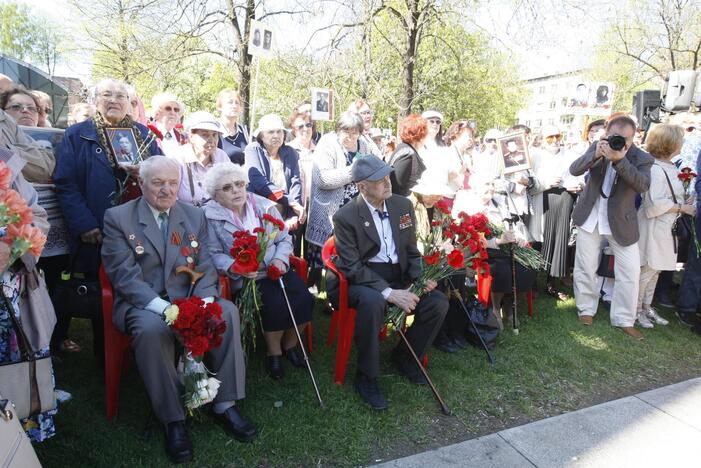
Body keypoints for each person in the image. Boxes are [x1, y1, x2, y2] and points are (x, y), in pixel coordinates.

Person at [101, 156, 255, 463]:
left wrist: (204, 304)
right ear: (141, 183)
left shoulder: (192, 215)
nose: (166, 190)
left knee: (226, 312)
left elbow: (206, 263)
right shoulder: (118, 218)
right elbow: (124, 276)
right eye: (157, 183)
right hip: (144, 302)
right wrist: (166, 310)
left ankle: (225, 403)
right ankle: (173, 418)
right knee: (151, 329)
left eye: (173, 183)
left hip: (190, 296)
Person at [330, 155, 448, 410]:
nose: (387, 182)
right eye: (379, 179)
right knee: (373, 303)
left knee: (437, 302)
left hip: (399, 272)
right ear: (362, 186)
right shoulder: (346, 217)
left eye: (387, 176)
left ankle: (407, 358)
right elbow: (352, 267)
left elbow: (411, 249)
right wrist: (388, 292)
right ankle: (367, 376)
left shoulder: (402, 205)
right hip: (364, 278)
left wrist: (419, 278)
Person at [203, 163, 314, 379]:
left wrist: (281, 261)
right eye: (227, 188)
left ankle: (290, 346)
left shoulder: (265, 206)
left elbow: (284, 238)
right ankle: (274, 353)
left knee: (304, 299)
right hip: (247, 278)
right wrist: (235, 266)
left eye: (239, 184)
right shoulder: (209, 216)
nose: (236, 190)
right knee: (273, 304)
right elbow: (212, 253)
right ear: (215, 195)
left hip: (276, 268)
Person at [54, 78, 162, 275]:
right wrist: (83, 223)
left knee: (142, 280)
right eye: (106, 95)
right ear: (96, 100)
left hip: (141, 225)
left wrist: (146, 171)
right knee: (101, 289)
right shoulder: (77, 135)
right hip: (97, 227)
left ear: (128, 102)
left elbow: (163, 171)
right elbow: (65, 183)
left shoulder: (143, 134)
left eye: (120, 96)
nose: (114, 100)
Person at [569, 115, 654, 339]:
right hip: (592, 216)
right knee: (585, 266)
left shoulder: (641, 157)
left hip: (621, 221)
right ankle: (586, 309)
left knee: (629, 272)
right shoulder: (598, 146)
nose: (622, 143)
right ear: (607, 133)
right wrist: (596, 153)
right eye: (617, 138)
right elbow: (574, 170)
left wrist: (620, 160)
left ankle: (624, 318)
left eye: (627, 140)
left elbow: (642, 185)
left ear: (634, 137)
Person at [0, 147, 54, 443]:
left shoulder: (7, 162)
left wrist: (16, 248)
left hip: (11, 288)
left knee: (18, 356)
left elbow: (38, 216)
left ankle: (16, 435)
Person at [304, 111, 364, 289]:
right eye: (346, 132)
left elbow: (373, 166)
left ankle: (338, 293)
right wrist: (354, 171)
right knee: (323, 254)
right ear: (338, 130)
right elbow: (324, 180)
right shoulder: (327, 144)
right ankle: (315, 291)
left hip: (355, 211)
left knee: (346, 255)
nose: (351, 137)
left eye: (355, 132)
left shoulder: (364, 145)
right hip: (329, 210)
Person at [636, 124, 688, 328]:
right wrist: (682, 207)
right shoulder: (655, 169)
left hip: (666, 226)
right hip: (655, 226)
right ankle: (636, 309)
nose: (683, 143)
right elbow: (654, 204)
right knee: (648, 269)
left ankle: (647, 306)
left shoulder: (670, 166)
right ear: (670, 143)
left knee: (656, 270)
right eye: (680, 139)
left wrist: (684, 201)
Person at [529, 124, 583, 299]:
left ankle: (551, 284)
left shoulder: (571, 156)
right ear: (542, 139)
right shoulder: (534, 156)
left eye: (557, 137)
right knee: (538, 240)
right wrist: (545, 182)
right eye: (549, 138)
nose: (554, 141)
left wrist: (577, 186)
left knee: (559, 243)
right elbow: (528, 183)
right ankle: (533, 283)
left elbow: (580, 177)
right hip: (541, 201)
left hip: (563, 201)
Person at [244, 113, 304, 231]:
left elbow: (295, 183)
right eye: (271, 132)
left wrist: (293, 215)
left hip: (285, 213)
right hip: (260, 213)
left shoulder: (291, 153)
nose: (276, 135)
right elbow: (259, 182)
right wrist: (291, 201)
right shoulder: (253, 150)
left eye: (279, 131)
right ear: (261, 136)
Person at [0, 86, 55, 183]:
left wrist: (8, 150)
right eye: (16, 107)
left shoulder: (53, 137)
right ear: (3, 111)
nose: (26, 110)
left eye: (32, 108)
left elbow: (45, 169)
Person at [175, 111, 229, 206]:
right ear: (191, 137)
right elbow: (171, 196)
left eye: (214, 135)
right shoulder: (178, 158)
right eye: (205, 135)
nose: (211, 140)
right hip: (186, 216)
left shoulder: (222, 157)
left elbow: (230, 188)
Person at [388, 114, 429, 197]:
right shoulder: (407, 154)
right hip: (400, 205)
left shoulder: (405, 149)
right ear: (420, 133)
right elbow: (396, 187)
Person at [216, 89, 249, 164]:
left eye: (237, 103)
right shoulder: (214, 131)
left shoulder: (246, 132)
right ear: (220, 107)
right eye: (230, 102)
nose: (234, 106)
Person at [442, 120, 475, 191]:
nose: (471, 139)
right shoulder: (449, 152)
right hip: (447, 197)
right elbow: (450, 175)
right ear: (456, 134)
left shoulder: (464, 155)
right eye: (469, 135)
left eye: (471, 136)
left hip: (458, 196)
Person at [151, 92, 185, 157]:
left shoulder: (182, 137)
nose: (172, 112)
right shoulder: (148, 132)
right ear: (157, 113)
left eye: (176, 110)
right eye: (168, 108)